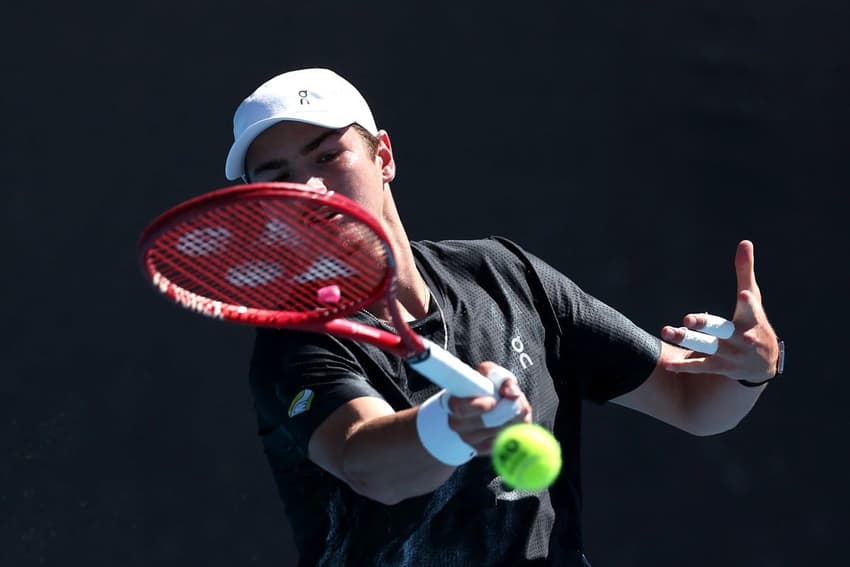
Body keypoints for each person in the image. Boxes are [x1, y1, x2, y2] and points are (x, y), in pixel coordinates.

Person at [226, 68, 784, 566]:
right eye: (279, 177)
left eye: (328, 156)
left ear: (384, 157)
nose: (311, 189)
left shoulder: (505, 275)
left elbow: (693, 401)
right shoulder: (295, 344)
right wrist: (451, 426)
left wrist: (752, 368)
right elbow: (366, 462)